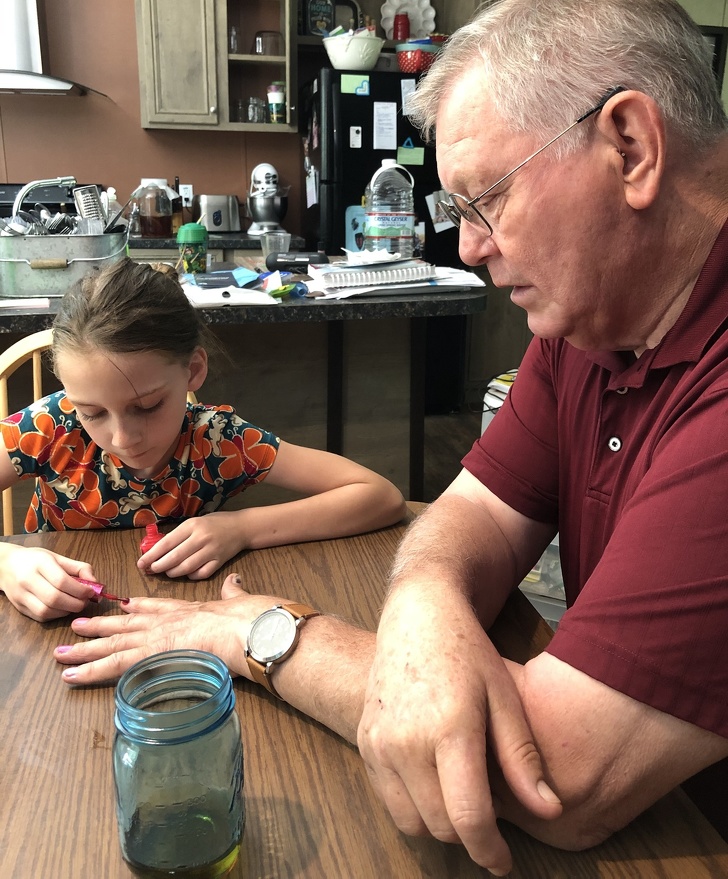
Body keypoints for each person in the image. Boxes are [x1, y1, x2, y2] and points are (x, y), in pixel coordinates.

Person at [51, 0, 728, 873]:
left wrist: (263, 633)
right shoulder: (590, 326)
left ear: (629, 147)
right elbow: (472, 513)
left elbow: (556, 775)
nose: (468, 245)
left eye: (484, 198)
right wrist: (424, 607)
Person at [0, 257, 406, 622]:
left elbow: (379, 496)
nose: (122, 437)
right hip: (57, 627)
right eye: (92, 413)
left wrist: (242, 528)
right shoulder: (48, 427)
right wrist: (6, 564)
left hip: (188, 619)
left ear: (193, 370)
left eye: (148, 406)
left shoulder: (218, 440)